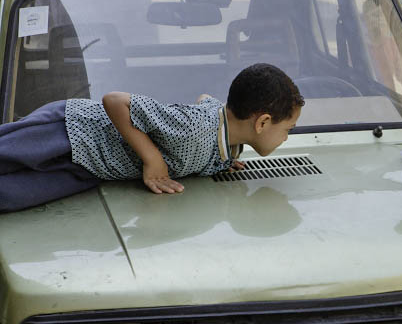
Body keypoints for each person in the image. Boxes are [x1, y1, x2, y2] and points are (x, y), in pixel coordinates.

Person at [0, 63, 304, 213]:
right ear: (263, 122)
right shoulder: (193, 129)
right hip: (69, 130)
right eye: (287, 129)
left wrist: (223, 159)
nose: (287, 138)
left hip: (89, 169)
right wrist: (153, 158)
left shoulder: (226, 142)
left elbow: (206, 99)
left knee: (10, 197)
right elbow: (115, 100)